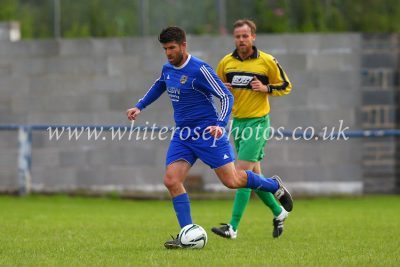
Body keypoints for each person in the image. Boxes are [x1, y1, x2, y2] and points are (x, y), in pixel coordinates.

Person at [126, 26, 293, 249]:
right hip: (183, 135)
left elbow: (225, 96)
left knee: (232, 181)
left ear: (183, 45)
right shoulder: (168, 69)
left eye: (172, 48)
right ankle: (188, 234)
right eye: (165, 49)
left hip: (208, 134)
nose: (168, 53)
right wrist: (139, 106)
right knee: (171, 180)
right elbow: (160, 85)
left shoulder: (200, 69)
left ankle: (272, 184)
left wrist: (220, 124)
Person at [211, 19, 293, 239]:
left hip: (258, 123)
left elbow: (286, 85)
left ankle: (232, 227)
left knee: (241, 174)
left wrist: (265, 88)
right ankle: (279, 211)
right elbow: (215, 87)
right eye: (238, 36)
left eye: (245, 36)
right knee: (254, 178)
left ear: (253, 37)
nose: (241, 40)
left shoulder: (267, 61)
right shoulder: (226, 63)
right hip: (237, 124)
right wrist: (222, 88)